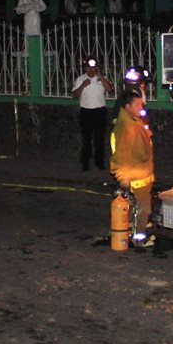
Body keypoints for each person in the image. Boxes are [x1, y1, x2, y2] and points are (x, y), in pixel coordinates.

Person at [109, 90, 155, 247]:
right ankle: (139, 239)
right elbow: (120, 156)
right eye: (136, 105)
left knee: (133, 211)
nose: (140, 108)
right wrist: (123, 177)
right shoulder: (126, 127)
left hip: (141, 177)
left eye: (141, 105)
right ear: (127, 106)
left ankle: (128, 233)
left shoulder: (134, 121)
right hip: (135, 180)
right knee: (142, 210)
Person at [71, 56, 112, 171]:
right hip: (86, 112)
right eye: (88, 68)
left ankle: (99, 162)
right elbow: (74, 95)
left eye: (93, 68)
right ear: (84, 68)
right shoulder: (80, 79)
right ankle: (85, 162)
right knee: (86, 139)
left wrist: (100, 76)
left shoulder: (102, 78)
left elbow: (109, 89)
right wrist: (83, 85)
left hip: (100, 111)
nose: (91, 70)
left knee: (99, 139)